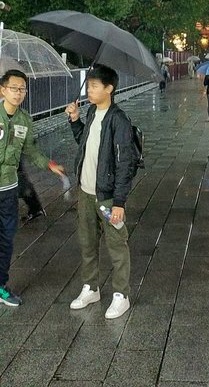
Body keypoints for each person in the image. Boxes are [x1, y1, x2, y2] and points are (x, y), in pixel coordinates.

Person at [0, 69, 66, 315]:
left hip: (8, 188)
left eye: (22, 89)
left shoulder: (24, 120)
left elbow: (30, 150)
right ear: (3, 89)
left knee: (7, 240)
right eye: (14, 88)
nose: (18, 93)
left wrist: (49, 164)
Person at [64, 64, 136, 319]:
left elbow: (125, 164)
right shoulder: (93, 112)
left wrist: (119, 202)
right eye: (89, 85)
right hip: (85, 192)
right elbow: (83, 142)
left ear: (109, 88)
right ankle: (90, 287)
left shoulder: (119, 120)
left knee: (116, 245)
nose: (89, 90)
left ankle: (121, 295)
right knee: (87, 242)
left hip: (107, 197)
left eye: (95, 86)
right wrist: (75, 120)